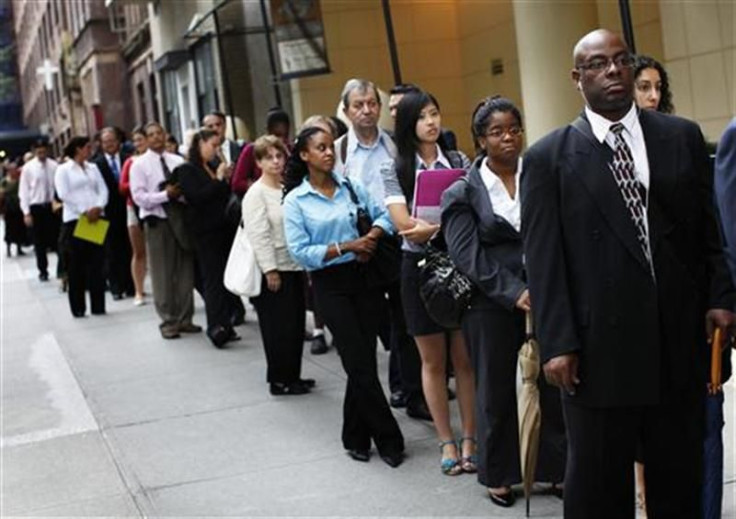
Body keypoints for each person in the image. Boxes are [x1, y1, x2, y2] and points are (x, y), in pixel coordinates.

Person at [521, 29, 735, 519]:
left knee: (678, 480)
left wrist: (721, 296)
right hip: (597, 355)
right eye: (598, 64)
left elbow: (710, 231)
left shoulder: (678, 136)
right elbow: (545, 261)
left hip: (676, 342)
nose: (613, 71)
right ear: (577, 79)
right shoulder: (549, 158)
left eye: (621, 61)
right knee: (598, 488)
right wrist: (557, 344)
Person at [442, 96, 566, 506]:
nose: (508, 138)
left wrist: (543, 288)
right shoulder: (462, 191)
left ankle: (553, 468)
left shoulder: (540, 175)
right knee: (495, 389)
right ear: (481, 139)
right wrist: (514, 293)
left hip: (545, 294)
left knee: (551, 381)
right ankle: (499, 474)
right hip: (490, 303)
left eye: (514, 129)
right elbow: (468, 255)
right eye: (497, 132)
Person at [283, 126, 405, 467]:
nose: (328, 153)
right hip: (329, 284)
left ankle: (354, 435)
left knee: (362, 359)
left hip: (364, 277)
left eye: (329, 148)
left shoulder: (351, 186)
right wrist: (346, 247)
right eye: (319, 148)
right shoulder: (296, 200)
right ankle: (390, 439)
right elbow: (300, 252)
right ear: (304, 155)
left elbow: (383, 215)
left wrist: (373, 236)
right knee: (358, 363)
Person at [381, 89, 476, 476]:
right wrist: (440, 227)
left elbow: (473, 208)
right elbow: (403, 225)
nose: (431, 122)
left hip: (458, 264)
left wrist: (432, 228)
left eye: (435, 113)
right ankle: (446, 441)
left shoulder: (458, 160)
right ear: (408, 124)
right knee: (432, 361)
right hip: (416, 268)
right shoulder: (396, 168)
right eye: (422, 117)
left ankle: (471, 438)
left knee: (465, 360)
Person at [334, 78, 430, 420]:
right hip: (361, 245)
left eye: (371, 103)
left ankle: (412, 392)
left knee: (407, 321)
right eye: (358, 105)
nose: (366, 110)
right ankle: (376, 398)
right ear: (346, 111)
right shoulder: (338, 151)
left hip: (397, 240)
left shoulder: (395, 147)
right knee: (369, 325)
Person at [631, 53, 673, 516]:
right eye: (644, 86)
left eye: (657, 86)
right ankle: (641, 487)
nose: (653, 96)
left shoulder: (675, 138)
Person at [243, 135, 311, 394]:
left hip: (294, 265)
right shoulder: (255, 193)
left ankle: (294, 375)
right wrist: (269, 269)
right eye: (268, 157)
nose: (275, 161)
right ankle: (279, 379)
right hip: (273, 269)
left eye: (279, 156)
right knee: (276, 327)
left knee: (295, 324)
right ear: (258, 162)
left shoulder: (288, 187)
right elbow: (258, 234)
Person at [130, 122, 201, 340]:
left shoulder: (178, 161)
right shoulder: (139, 165)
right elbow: (139, 197)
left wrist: (179, 194)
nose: (156, 137)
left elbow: (190, 190)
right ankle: (168, 321)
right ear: (146, 139)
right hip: (157, 222)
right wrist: (164, 195)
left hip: (180, 220)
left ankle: (185, 318)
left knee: (184, 270)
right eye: (150, 135)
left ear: (165, 134)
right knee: (162, 272)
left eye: (159, 133)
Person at [176, 129, 242, 348]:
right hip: (205, 233)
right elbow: (197, 197)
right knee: (212, 280)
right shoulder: (187, 169)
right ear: (200, 144)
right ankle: (216, 326)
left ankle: (227, 323)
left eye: (218, 146)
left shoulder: (213, 166)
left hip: (223, 229)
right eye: (212, 145)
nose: (215, 151)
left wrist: (226, 179)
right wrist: (219, 179)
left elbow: (223, 196)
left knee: (224, 279)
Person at [54, 136, 109, 318]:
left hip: (95, 218)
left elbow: (103, 189)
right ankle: (78, 307)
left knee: (96, 263)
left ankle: (98, 305)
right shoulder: (63, 170)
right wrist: (84, 211)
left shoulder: (93, 168)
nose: (90, 150)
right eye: (87, 147)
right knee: (76, 265)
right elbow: (64, 194)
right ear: (77, 149)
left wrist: (99, 206)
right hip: (76, 219)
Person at [93, 127, 134, 300]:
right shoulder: (95, 164)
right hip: (106, 213)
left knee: (129, 249)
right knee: (110, 252)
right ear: (101, 144)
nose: (109, 144)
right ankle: (116, 287)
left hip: (128, 210)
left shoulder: (129, 159)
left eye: (112, 140)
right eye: (105, 141)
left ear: (119, 141)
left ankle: (131, 285)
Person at [19, 140, 59, 281]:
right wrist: (26, 212)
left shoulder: (54, 166)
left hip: (52, 206)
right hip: (36, 207)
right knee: (39, 241)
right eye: (39, 152)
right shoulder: (28, 168)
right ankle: (43, 270)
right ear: (35, 152)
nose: (41, 154)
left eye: (43, 151)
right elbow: (23, 192)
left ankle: (62, 270)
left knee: (57, 239)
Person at [231, 107, 292, 199]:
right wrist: (262, 187)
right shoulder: (253, 149)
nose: (280, 140)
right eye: (277, 135)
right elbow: (237, 183)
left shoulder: (290, 149)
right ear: (268, 130)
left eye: (285, 135)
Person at [118, 126, 148, 306]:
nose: (138, 144)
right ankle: (139, 290)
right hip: (134, 207)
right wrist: (138, 185)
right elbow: (122, 186)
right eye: (135, 140)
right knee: (138, 251)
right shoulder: (131, 162)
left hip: (154, 207)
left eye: (141, 139)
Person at [388, 83, 458, 150]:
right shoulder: (389, 140)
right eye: (391, 109)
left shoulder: (443, 137)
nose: (393, 114)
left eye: (399, 107)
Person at [1, 162, 28, 256]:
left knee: (19, 228)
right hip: (8, 208)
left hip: (18, 207)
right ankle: (8, 249)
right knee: (9, 229)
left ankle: (19, 248)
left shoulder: (19, 181)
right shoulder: (4, 181)